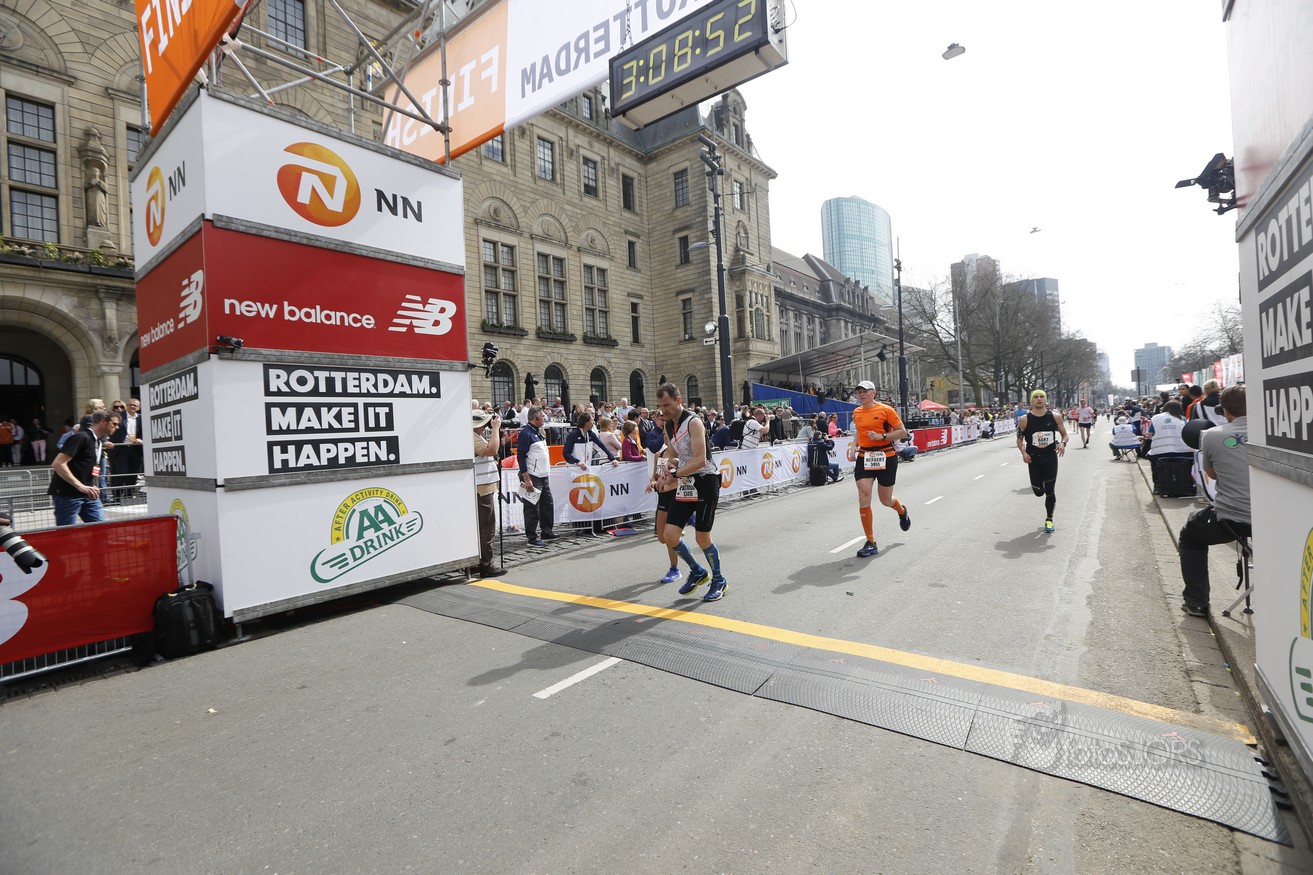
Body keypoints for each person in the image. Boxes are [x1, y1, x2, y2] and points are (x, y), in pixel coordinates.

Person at [1178, 386, 1250, 616]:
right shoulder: (1276, 433)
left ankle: (1197, 602)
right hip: (1276, 520)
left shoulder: (1212, 435)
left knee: (1190, 536)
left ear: (1225, 411)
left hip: (1233, 519)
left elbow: (1212, 474)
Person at [654, 382, 727, 601]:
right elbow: (672, 454)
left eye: (667, 405)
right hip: (687, 482)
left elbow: (700, 459)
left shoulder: (694, 422)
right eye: (660, 406)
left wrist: (674, 474)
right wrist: (663, 474)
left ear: (679, 400)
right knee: (669, 535)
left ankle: (719, 580)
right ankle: (697, 571)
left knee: (702, 538)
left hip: (706, 481)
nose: (664, 410)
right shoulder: (668, 425)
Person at [846, 380, 911, 557]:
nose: (861, 394)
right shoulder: (857, 412)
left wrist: (882, 436)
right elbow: (859, 432)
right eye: (859, 392)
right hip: (865, 456)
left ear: (873, 393)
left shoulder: (886, 410)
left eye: (865, 391)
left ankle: (902, 511)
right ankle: (870, 542)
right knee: (863, 494)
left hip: (886, 456)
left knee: (885, 500)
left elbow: (902, 432)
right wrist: (853, 446)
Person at [48, 409, 114, 526]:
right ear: (103, 422)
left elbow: (92, 466)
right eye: (114, 424)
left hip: (89, 494)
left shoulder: (98, 442)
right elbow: (58, 464)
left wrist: (90, 484)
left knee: (101, 529)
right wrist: (80, 486)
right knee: (67, 533)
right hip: (67, 495)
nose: (117, 427)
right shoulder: (81, 437)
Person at [1017, 388, 1068, 534]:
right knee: (1039, 492)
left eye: (1042, 397)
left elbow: (1065, 435)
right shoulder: (1024, 419)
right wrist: (1023, 452)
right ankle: (1041, 488)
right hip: (1033, 459)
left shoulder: (1055, 417)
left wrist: (1063, 444)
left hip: (1050, 457)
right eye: (1036, 397)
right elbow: (1019, 440)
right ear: (1031, 401)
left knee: (1050, 490)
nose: (1039, 399)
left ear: (1045, 399)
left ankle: (1049, 520)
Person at [516, 407, 560, 547]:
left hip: (542, 475)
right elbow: (521, 456)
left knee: (547, 503)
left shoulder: (537, 432)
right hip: (532, 475)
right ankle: (532, 537)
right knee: (531, 507)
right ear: (535, 418)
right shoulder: (526, 433)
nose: (544, 418)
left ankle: (546, 531)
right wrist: (526, 478)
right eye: (542, 416)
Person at [472, 408, 504, 577]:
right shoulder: (472, 437)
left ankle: (478, 561)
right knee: (486, 526)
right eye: (484, 424)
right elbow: (491, 450)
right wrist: (496, 429)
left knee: (483, 526)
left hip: (482, 487)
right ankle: (486, 564)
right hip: (481, 488)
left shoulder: (476, 436)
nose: (486, 426)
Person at [1146, 400, 1193, 495]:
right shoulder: (1182, 419)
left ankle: (1157, 486)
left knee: (1153, 462)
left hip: (1160, 452)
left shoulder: (1155, 418)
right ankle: (1188, 485)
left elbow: (1149, 435)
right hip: (1182, 451)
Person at [109, 397, 144, 501]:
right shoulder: (119, 416)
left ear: (138, 407)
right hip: (121, 448)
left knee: (133, 474)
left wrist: (141, 439)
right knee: (121, 474)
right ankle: (117, 497)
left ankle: (129, 496)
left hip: (135, 449)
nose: (132, 406)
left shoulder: (141, 418)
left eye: (135, 405)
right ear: (127, 406)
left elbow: (146, 431)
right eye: (130, 404)